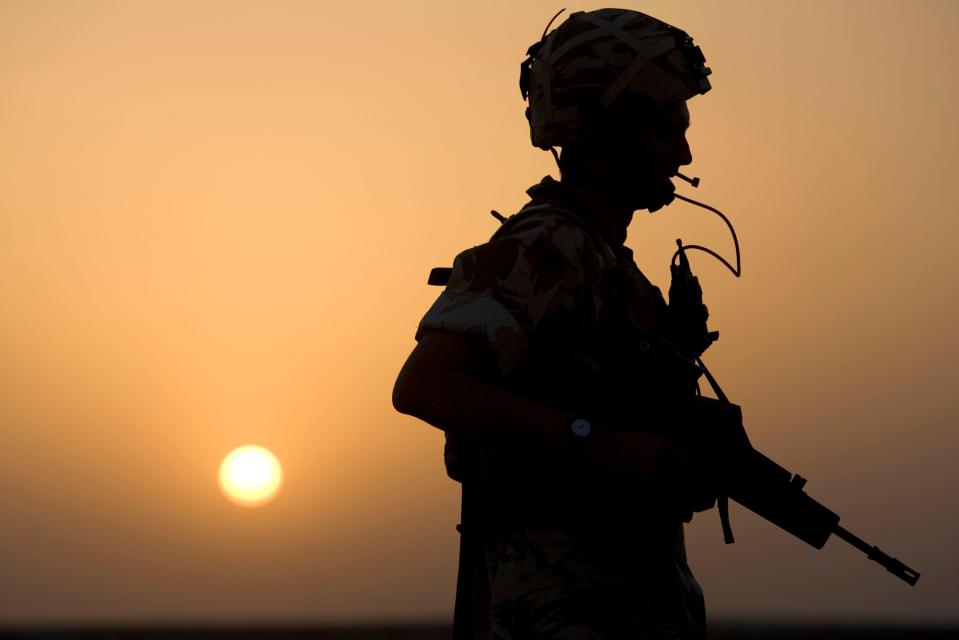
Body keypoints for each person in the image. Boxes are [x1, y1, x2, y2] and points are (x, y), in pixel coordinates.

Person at [393, 9, 718, 639]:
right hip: (563, 604)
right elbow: (426, 385)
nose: (683, 153)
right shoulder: (548, 246)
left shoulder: (600, 260)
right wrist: (597, 441)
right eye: (665, 130)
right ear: (610, 132)